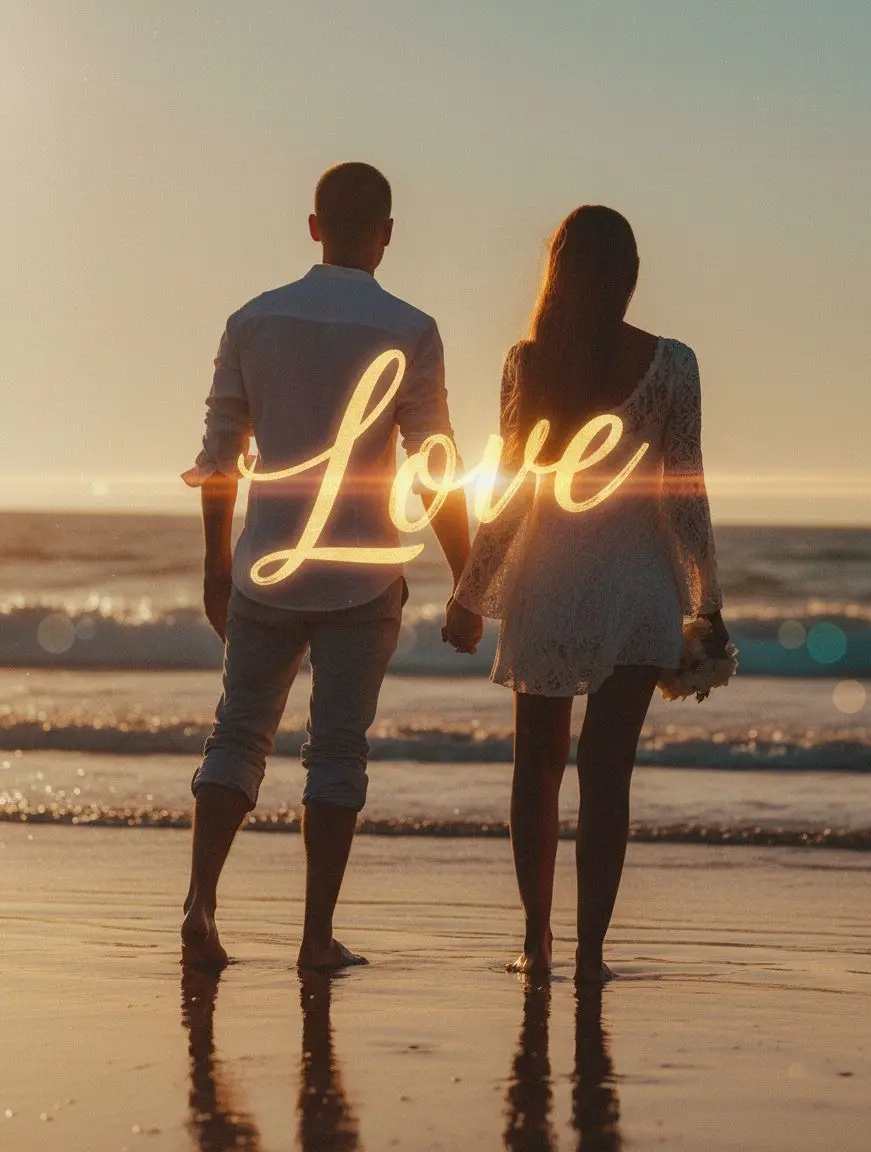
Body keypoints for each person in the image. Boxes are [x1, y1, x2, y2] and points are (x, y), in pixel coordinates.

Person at [181, 162, 471, 971]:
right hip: (362, 576)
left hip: (266, 566)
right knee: (337, 752)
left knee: (238, 734)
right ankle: (314, 939)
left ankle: (201, 904)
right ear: (386, 233)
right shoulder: (411, 329)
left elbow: (220, 459)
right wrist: (468, 578)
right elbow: (434, 469)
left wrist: (215, 569)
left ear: (313, 227)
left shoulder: (252, 321)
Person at [445, 205, 728, 985]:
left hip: (551, 581)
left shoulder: (530, 362)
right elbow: (686, 493)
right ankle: (592, 955)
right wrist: (706, 597)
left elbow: (508, 492)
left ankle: (536, 945)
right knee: (608, 775)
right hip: (637, 585)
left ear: (557, 275)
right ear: (630, 275)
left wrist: (470, 594)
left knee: (536, 769)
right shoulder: (673, 364)